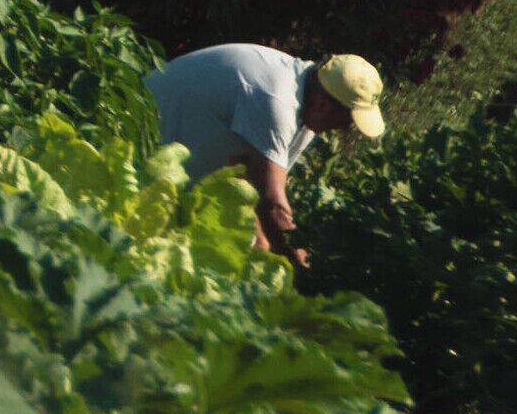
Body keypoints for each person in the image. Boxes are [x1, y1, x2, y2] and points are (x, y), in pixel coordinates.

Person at [143, 42, 387, 261]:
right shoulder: (277, 101)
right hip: (141, 138)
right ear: (324, 104)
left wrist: (261, 244)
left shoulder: (307, 106)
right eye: (347, 119)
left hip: (168, 173)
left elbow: (251, 183)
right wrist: (301, 266)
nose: (345, 128)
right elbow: (272, 203)